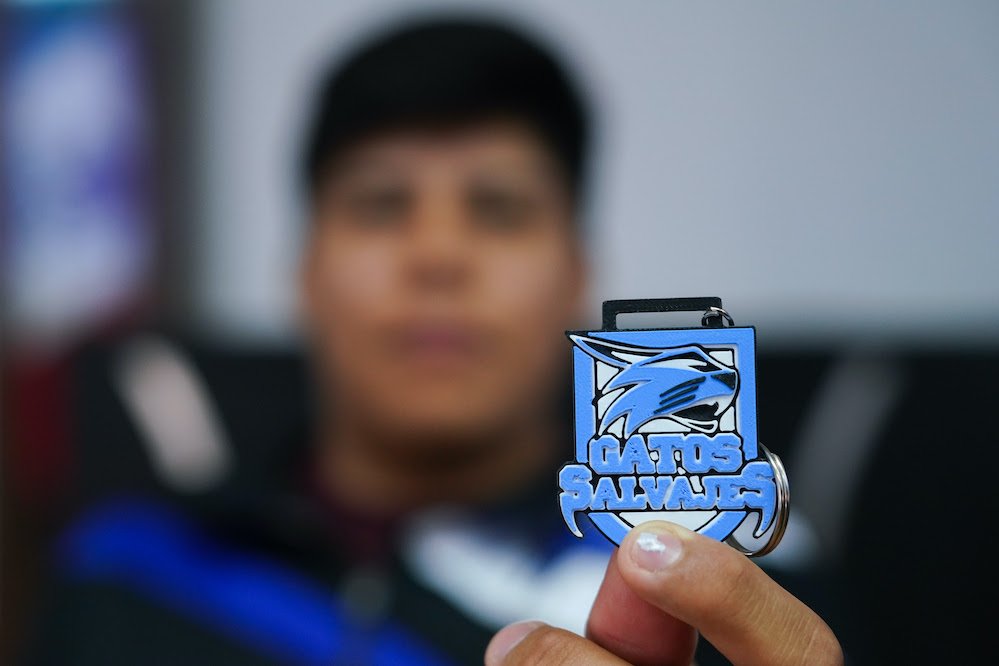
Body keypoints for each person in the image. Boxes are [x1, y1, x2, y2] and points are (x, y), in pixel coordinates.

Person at [29, 17, 841, 665]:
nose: (438, 256)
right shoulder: (126, 580)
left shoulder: (725, 584)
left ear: (575, 274)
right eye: (382, 206)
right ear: (305, 272)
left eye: (498, 209)